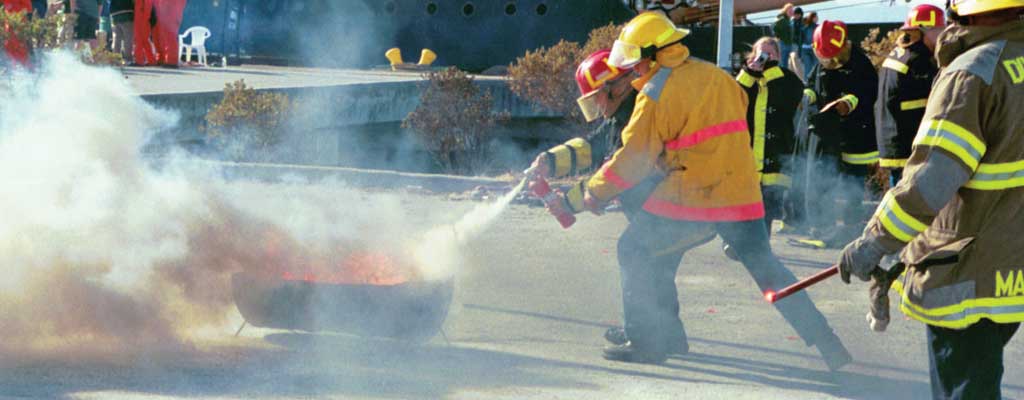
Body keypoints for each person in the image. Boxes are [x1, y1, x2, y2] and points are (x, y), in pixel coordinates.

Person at [571, 11, 850, 369]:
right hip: (742, 194)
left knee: (634, 249)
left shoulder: (655, 92)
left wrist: (592, 194)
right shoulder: (716, 76)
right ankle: (830, 346)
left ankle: (645, 342)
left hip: (695, 196)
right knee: (769, 272)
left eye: (637, 62)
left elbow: (632, 160)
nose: (635, 70)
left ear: (654, 54)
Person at [838, 1, 1024, 398]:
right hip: (1012, 265)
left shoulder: (971, 73)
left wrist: (876, 241)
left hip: (969, 269)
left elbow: (930, 181)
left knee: (966, 388)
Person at [531, 48, 714, 356]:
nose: (597, 106)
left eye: (597, 97)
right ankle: (668, 337)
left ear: (617, 85)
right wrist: (550, 160)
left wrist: (569, 202)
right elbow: (593, 145)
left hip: (680, 208)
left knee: (633, 251)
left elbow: (620, 170)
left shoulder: (639, 114)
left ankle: (642, 341)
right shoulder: (624, 113)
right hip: (680, 207)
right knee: (657, 267)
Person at [801, 19, 879, 248]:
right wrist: (808, 97)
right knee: (824, 179)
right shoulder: (822, 60)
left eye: (836, 57)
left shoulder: (861, 65)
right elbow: (812, 84)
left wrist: (848, 102)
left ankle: (848, 230)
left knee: (851, 185)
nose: (833, 63)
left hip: (855, 135)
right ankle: (823, 227)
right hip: (829, 134)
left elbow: (868, 94)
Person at [734, 37, 805, 241]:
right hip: (747, 158)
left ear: (778, 56)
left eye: (769, 54)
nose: (763, 58)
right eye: (759, 53)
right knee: (744, 206)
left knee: (767, 208)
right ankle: (741, 243)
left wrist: (771, 69)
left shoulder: (787, 79)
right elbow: (734, 97)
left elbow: (789, 97)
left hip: (776, 157)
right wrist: (750, 73)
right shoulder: (746, 79)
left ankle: (761, 248)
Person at [875, 4, 944, 187]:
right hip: (908, 143)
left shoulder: (898, 54)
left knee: (897, 196)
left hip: (892, 141)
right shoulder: (919, 60)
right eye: (939, 31)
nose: (943, 36)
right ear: (923, 31)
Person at [151, 0, 185, 68]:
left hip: (170, 12)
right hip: (164, 12)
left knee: (169, 36)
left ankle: (171, 60)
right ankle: (163, 58)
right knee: (161, 36)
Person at [2, 0, 32, 67]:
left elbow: (28, 8)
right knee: (9, 45)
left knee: (19, 46)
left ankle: (24, 67)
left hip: (18, 22)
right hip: (10, 22)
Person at [132, 0, 154, 65]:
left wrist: (145, 18)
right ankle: (151, 60)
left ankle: (139, 60)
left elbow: (147, 6)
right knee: (144, 40)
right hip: (143, 16)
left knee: (139, 39)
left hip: (141, 17)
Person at [799, 12, 819, 82]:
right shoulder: (817, 28)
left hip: (805, 49)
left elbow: (800, 41)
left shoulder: (804, 28)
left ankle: (806, 83)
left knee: (807, 69)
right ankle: (815, 83)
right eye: (816, 17)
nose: (817, 18)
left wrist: (800, 53)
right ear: (813, 18)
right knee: (816, 68)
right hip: (814, 49)